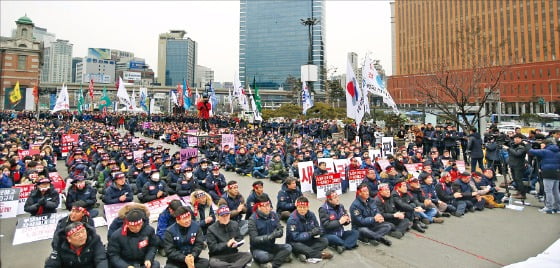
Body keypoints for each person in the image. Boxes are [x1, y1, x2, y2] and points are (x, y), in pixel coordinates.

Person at [248, 195, 292, 268]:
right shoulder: (252, 219)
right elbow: (254, 239)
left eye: (268, 205)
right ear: (259, 207)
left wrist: (280, 232)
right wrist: (270, 236)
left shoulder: (273, 215)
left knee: (288, 247)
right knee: (264, 257)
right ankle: (280, 258)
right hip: (258, 248)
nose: (267, 208)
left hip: (271, 246)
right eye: (265, 206)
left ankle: (271, 265)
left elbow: (279, 227)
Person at [286, 196, 333, 263]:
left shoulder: (311, 215)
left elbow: (318, 227)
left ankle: (303, 254)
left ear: (308, 207)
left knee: (324, 241)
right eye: (300, 207)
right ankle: (319, 255)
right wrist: (310, 233)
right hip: (295, 242)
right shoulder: (292, 219)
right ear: (297, 207)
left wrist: (318, 231)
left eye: (304, 207)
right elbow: (295, 237)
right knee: (298, 246)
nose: (302, 210)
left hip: (308, 240)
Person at [528, 139, 560, 214]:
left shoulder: (545, 151)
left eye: (542, 144)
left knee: (548, 190)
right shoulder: (558, 152)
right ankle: (557, 207)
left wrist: (527, 145)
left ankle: (549, 207)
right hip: (557, 172)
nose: (541, 146)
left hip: (547, 172)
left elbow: (531, 151)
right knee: (556, 191)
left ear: (546, 144)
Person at [504, 134, 530, 199]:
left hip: (519, 165)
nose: (516, 139)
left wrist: (508, 149)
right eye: (515, 138)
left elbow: (517, 154)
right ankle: (519, 192)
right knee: (515, 179)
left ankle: (523, 194)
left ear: (521, 139)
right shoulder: (513, 145)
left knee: (518, 179)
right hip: (512, 164)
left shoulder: (522, 146)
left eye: (518, 138)